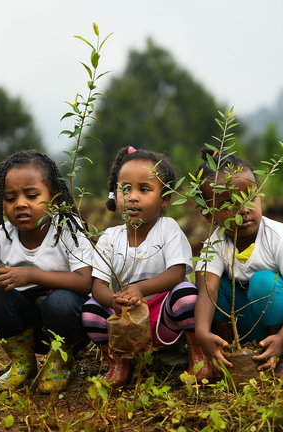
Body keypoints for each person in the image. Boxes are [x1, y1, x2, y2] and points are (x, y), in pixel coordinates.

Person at [0, 150, 93, 394]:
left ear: (53, 200)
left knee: (60, 301)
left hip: (69, 327)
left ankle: (60, 362)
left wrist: (30, 275)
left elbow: (85, 282)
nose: (21, 203)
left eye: (32, 195)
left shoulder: (68, 231)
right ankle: (23, 363)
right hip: (29, 328)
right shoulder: (0, 236)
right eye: (10, 198)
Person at [192, 148, 283, 380]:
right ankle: (229, 348)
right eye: (229, 203)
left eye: (250, 197)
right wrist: (202, 332)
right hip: (252, 326)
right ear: (208, 214)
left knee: (264, 282)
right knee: (213, 283)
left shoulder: (280, 237)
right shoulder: (214, 244)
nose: (243, 209)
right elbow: (208, 293)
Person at [81, 146, 199, 387]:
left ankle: (198, 357)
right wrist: (114, 301)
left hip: (163, 320)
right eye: (124, 189)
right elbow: (99, 285)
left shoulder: (168, 229)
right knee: (91, 310)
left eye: (144, 190)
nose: (132, 197)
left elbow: (177, 273)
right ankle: (119, 364)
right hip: (125, 320)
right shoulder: (109, 238)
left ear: (164, 199)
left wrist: (140, 289)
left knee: (186, 296)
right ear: (115, 195)